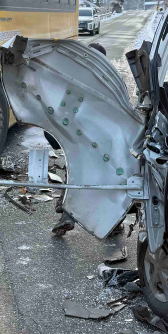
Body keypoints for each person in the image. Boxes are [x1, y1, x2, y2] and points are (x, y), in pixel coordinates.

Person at [49, 41, 107, 236]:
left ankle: (67, 214)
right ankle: (69, 215)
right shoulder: (111, 82)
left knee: (76, 174)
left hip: (87, 140)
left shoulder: (77, 81)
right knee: (101, 179)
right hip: (95, 141)